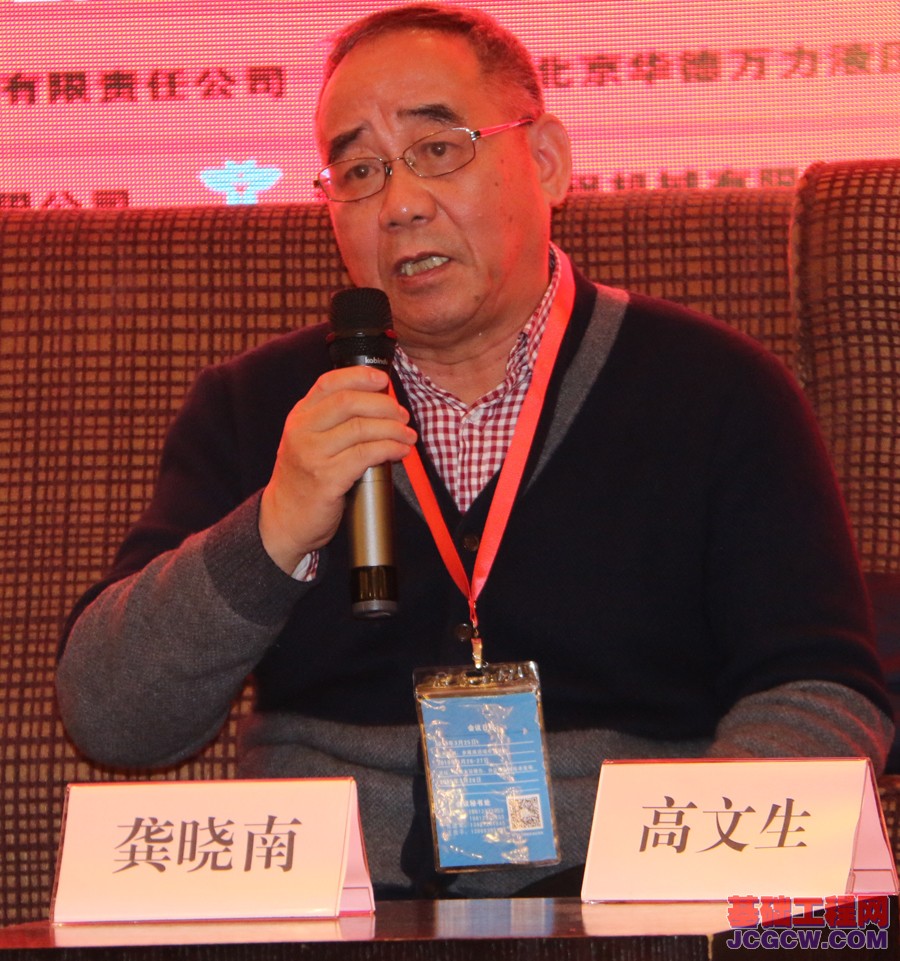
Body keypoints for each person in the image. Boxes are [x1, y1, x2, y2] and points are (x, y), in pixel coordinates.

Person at [56, 3, 893, 899]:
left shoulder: (717, 390)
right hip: (332, 907)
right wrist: (272, 531)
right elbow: (113, 717)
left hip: (622, 899)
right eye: (360, 171)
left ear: (546, 160)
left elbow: (819, 691)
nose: (401, 204)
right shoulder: (254, 408)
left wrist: (675, 893)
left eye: (439, 149)